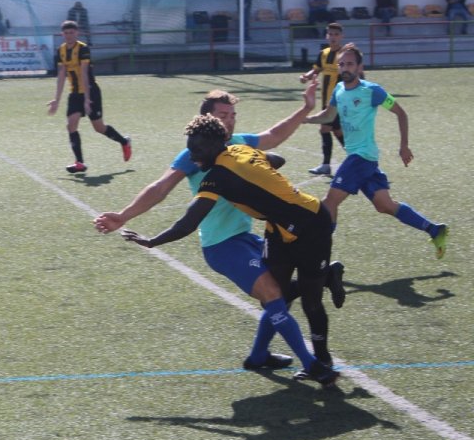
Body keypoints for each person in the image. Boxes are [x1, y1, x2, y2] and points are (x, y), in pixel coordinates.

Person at [95, 83, 348, 366]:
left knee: (278, 294)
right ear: (208, 118)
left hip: (247, 235)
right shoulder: (197, 152)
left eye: (232, 114)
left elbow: (274, 137)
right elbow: (160, 188)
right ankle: (311, 360)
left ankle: (259, 355)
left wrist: (305, 109)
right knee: (275, 294)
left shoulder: (238, 142)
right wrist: (124, 215)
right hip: (220, 242)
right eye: (223, 115)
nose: (229, 120)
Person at [306, 44, 449, 259]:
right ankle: (434, 229)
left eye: (350, 64)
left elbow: (401, 113)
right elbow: (328, 115)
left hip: (361, 157)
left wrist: (404, 145)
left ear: (359, 67)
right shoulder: (339, 90)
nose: (345, 68)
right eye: (341, 64)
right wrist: (304, 118)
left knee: (330, 201)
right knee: (385, 205)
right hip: (363, 159)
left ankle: (318, 258)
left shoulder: (372, 90)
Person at [46, 20, 131, 174]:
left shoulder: (83, 49)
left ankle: (124, 142)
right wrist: (56, 100)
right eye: (66, 33)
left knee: (99, 128)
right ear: (62, 34)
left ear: (77, 33)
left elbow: (84, 73)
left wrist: (87, 98)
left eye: (72, 33)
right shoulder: (61, 51)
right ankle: (79, 162)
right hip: (74, 93)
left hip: (91, 92)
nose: (69, 36)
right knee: (71, 125)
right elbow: (61, 75)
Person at [298, 22, 346, 176]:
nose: (333, 37)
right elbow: (316, 69)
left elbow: (355, 72)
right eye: (330, 34)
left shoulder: (344, 54)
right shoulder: (324, 53)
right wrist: (307, 76)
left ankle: (327, 165)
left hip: (339, 100)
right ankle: (360, 160)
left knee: (325, 128)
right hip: (326, 100)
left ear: (341, 36)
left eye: (336, 34)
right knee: (337, 131)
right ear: (327, 36)